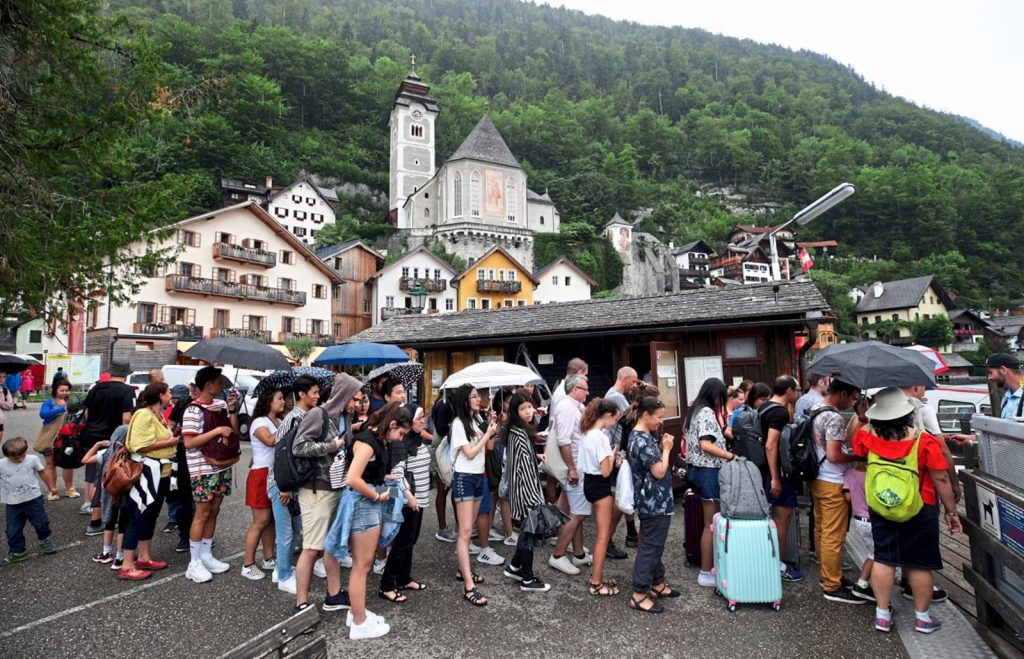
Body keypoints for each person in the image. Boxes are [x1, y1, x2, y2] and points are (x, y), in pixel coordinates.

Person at [852, 387, 962, 635]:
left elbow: (858, 453)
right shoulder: (925, 442)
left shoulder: (866, 437)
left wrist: (865, 420)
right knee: (920, 563)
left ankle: (882, 615)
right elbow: (942, 479)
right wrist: (951, 512)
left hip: (882, 504)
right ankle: (922, 619)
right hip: (921, 506)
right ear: (907, 414)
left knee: (884, 558)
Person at [292, 373, 363, 615]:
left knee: (332, 546)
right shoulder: (317, 414)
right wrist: (330, 447)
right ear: (343, 396)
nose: (357, 403)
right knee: (312, 547)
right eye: (354, 398)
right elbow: (299, 446)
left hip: (337, 489)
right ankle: (300, 602)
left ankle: (333, 595)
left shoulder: (345, 417)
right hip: (316, 491)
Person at [346, 402, 412, 639]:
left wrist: (385, 477)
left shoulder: (374, 439)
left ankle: (357, 612)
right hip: (365, 505)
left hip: (367, 505)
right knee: (362, 566)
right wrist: (376, 494)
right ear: (392, 424)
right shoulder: (367, 442)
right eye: (400, 433)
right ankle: (359, 623)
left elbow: (363, 473)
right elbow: (352, 478)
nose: (399, 439)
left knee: (361, 564)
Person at [808, 379, 864, 603]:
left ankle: (828, 576)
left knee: (822, 531)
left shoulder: (814, 409)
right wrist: (857, 455)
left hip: (817, 477)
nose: (852, 402)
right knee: (834, 535)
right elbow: (834, 455)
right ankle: (832, 585)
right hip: (833, 481)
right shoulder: (834, 417)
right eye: (852, 397)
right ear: (842, 393)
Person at [181, 366, 238, 584]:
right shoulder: (192, 410)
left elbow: (232, 430)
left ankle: (206, 554)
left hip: (221, 466)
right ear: (208, 385)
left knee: (215, 510)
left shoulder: (221, 405)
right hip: (202, 469)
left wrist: (231, 410)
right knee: (202, 513)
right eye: (218, 382)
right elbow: (188, 443)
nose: (222, 386)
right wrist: (215, 431)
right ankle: (194, 562)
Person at [119, 383, 176, 580]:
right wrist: (169, 443)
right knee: (137, 512)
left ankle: (144, 556)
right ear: (160, 395)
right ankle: (127, 564)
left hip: (160, 471)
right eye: (168, 393)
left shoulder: (158, 415)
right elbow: (138, 445)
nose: (171, 396)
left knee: (151, 513)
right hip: (146, 471)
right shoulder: (143, 414)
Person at [269, 375, 320, 594]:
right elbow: (282, 454)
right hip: (283, 484)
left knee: (296, 529)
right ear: (302, 394)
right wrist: (284, 487)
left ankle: (284, 568)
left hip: (293, 485)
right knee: (286, 532)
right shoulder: (294, 418)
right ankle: (283, 575)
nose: (318, 396)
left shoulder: (304, 416)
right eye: (315, 392)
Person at [684, 378, 736, 588]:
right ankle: (706, 572)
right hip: (707, 472)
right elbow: (705, 444)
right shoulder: (706, 412)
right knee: (711, 524)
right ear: (716, 395)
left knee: (710, 523)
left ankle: (708, 569)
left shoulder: (694, 410)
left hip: (695, 470)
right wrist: (729, 456)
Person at [628, 398, 678, 613]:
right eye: (659, 416)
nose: (661, 421)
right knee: (651, 546)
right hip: (653, 502)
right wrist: (667, 449)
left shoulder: (640, 436)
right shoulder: (642, 440)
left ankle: (657, 583)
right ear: (646, 415)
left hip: (653, 501)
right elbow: (659, 472)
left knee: (653, 543)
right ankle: (639, 593)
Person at [451, 384, 499, 606]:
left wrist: (491, 429)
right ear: (464, 400)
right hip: (464, 477)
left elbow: (488, 447)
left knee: (468, 529)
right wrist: (487, 433)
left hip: (479, 476)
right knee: (465, 531)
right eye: (473, 397)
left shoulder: (475, 421)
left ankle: (463, 570)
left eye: (478, 396)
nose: (478, 399)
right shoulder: (459, 423)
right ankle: (469, 585)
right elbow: (469, 453)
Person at [379, 404, 431, 602]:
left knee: (411, 540)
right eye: (419, 418)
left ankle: (404, 577)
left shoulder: (416, 440)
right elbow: (398, 473)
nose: (422, 422)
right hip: (408, 499)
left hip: (420, 497)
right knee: (402, 542)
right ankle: (386, 584)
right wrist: (408, 496)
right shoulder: (400, 443)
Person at [502, 391, 551, 592]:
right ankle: (527, 579)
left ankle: (514, 566)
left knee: (525, 532)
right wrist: (536, 498)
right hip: (525, 491)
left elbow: (521, 460)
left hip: (520, 489)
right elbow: (523, 470)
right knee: (529, 534)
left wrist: (535, 456)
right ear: (515, 411)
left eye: (529, 407)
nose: (528, 412)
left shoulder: (516, 430)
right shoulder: (520, 433)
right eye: (523, 409)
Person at [81, 361, 135, 533]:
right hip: (112, 438)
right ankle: (98, 519)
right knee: (108, 477)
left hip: (91, 436)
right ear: (125, 374)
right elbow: (126, 419)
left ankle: (92, 510)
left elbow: (87, 413)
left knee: (93, 476)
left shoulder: (96, 388)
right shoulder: (127, 391)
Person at [760, 375, 802, 582]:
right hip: (778, 474)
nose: (798, 393)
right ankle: (776, 565)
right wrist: (776, 478)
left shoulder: (765, 406)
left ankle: (772, 562)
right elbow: (771, 445)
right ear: (788, 391)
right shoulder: (778, 413)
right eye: (797, 389)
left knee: (776, 519)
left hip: (766, 471)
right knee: (782, 520)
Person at [548, 374, 592, 576]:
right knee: (578, 513)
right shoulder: (566, 407)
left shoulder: (574, 406)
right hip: (574, 468)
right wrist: (572, 468)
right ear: (575, 390)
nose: (587, 392)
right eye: (584, 388)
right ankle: (558, 555)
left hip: (577, 466)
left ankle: (578, 553)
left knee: (574, 511)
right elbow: (564, 441)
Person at [579, 398, 621, 597]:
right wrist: (613, 455)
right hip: (600, 485)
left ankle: (598, 575)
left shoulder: (587, 432)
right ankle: (595, 582)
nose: (616, 423)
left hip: (588, 481)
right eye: (615, 418)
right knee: (603, 536)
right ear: (607, 416)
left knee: (603, 534)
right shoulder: (601, 437)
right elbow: (606, 471)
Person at [242, 388, 284, 581]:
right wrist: (288, 427)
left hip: (274, 473)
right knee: (260, 521)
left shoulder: (279, 421)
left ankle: (269, 558)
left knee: (272, 520)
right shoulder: (259, 422)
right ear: (269, 401)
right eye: (280, 398)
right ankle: (248, 564)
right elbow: (268, 441)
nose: (283, 402)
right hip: (260, 473)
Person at [1, 437, 55, 564]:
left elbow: (42, 472)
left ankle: (44, 540)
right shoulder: (2, 464)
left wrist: (51, 486)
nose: (19, 459)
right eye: (15, 458)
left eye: (22, 455)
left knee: (41, 523)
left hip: (33, 499)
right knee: (12, 529)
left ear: (26, 451)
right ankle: (18, 551)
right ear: (7, 455)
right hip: (12, 503)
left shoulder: (32, 459)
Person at [602, 366, 637, 558]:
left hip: (619, 451)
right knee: (621, 497)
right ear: (624, 378)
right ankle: (607, 540)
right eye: (633, 381)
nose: (633, 386)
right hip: (619, 451)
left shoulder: (615, 396)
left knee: (625, 494)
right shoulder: (616, 397)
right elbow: (632, 419)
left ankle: (631, 532)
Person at [844, 463, 875, 602]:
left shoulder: (849, 473)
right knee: (877, 555)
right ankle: (862, 584)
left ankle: (862, 583)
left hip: (859, 521)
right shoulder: (874, 473)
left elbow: (848, 497)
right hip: (874, 520)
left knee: (873, 553)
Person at [38, 380, 75, 500]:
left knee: (68, 464)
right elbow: (43, 414)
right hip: (50, 437)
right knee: (50, 464)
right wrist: (61, 409)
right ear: (55, 390)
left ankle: (70, 489)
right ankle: (52, 490)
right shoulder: (49, 402)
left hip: (67, 438)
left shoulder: (72, 402)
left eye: (66, 390)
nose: (65, 393)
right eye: (61, 390)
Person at [430, 392, 457, 543]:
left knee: (450, 489)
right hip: (442, 450)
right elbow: (440, 429)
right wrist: (455, 427)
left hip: (446, 449)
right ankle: (442, 528)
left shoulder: (447, 402)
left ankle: (455, 525)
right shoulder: (446, 405)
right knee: (443, 489)